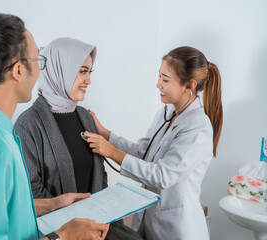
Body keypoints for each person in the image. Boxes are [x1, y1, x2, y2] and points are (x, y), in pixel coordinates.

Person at [0, 14, 109, 240]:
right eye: (37, 61)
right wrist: (64, 236)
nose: (41, 71)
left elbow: (7, 208)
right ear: (19, 70)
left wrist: (52, 204)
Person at [84, 46, 223, 240]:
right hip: (150, 219)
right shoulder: (166, 113)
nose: (158, 84)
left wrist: (112, 152)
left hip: (178, 228)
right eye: (159, 77)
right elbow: (144, 152)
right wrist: (107, 134)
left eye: (165, 79)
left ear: (189, 86)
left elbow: (162, 176)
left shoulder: (198, 128)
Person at [14, 37, 143, 240]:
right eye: (82, 71)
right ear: (59, 69)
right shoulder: (28, 124)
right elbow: (29, 191)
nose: (88, 80)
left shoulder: (85, 117)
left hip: (99, 229)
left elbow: (100, 177)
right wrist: (78, 224)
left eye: (89, 72)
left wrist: (103, 220)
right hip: (57, 233)